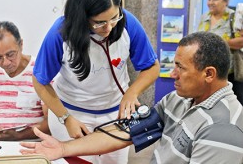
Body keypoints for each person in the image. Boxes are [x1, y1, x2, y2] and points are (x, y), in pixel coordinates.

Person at [20, 31, 243, 163]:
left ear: (209, 74)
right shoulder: (178, 100)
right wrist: (63, 148)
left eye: (180, 68)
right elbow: (128, 130)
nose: (172, 74)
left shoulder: (224, 129)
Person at [31, 0, 160, 163]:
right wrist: (66, 118)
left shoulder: (128, 23)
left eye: (114, 18)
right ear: (82, 15)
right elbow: (39, 81)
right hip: (73, 114)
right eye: (100, 22)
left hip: (115, 114)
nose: (108, 27)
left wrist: (132, 92)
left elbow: (152, 67)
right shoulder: (61, 33)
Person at [0, 21, 50, 141]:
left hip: (31, 144)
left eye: (10, 54)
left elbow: (51, 123)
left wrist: (19, 135)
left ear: (21, 45)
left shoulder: (40, 71)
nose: (6, 63)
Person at [198, 0, 243, 105]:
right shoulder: (204, 17)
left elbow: (241, 41)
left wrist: (218, 43)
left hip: (229, 74)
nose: (211, 2)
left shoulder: (234, 17)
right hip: (207, 74)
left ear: (226, 1)